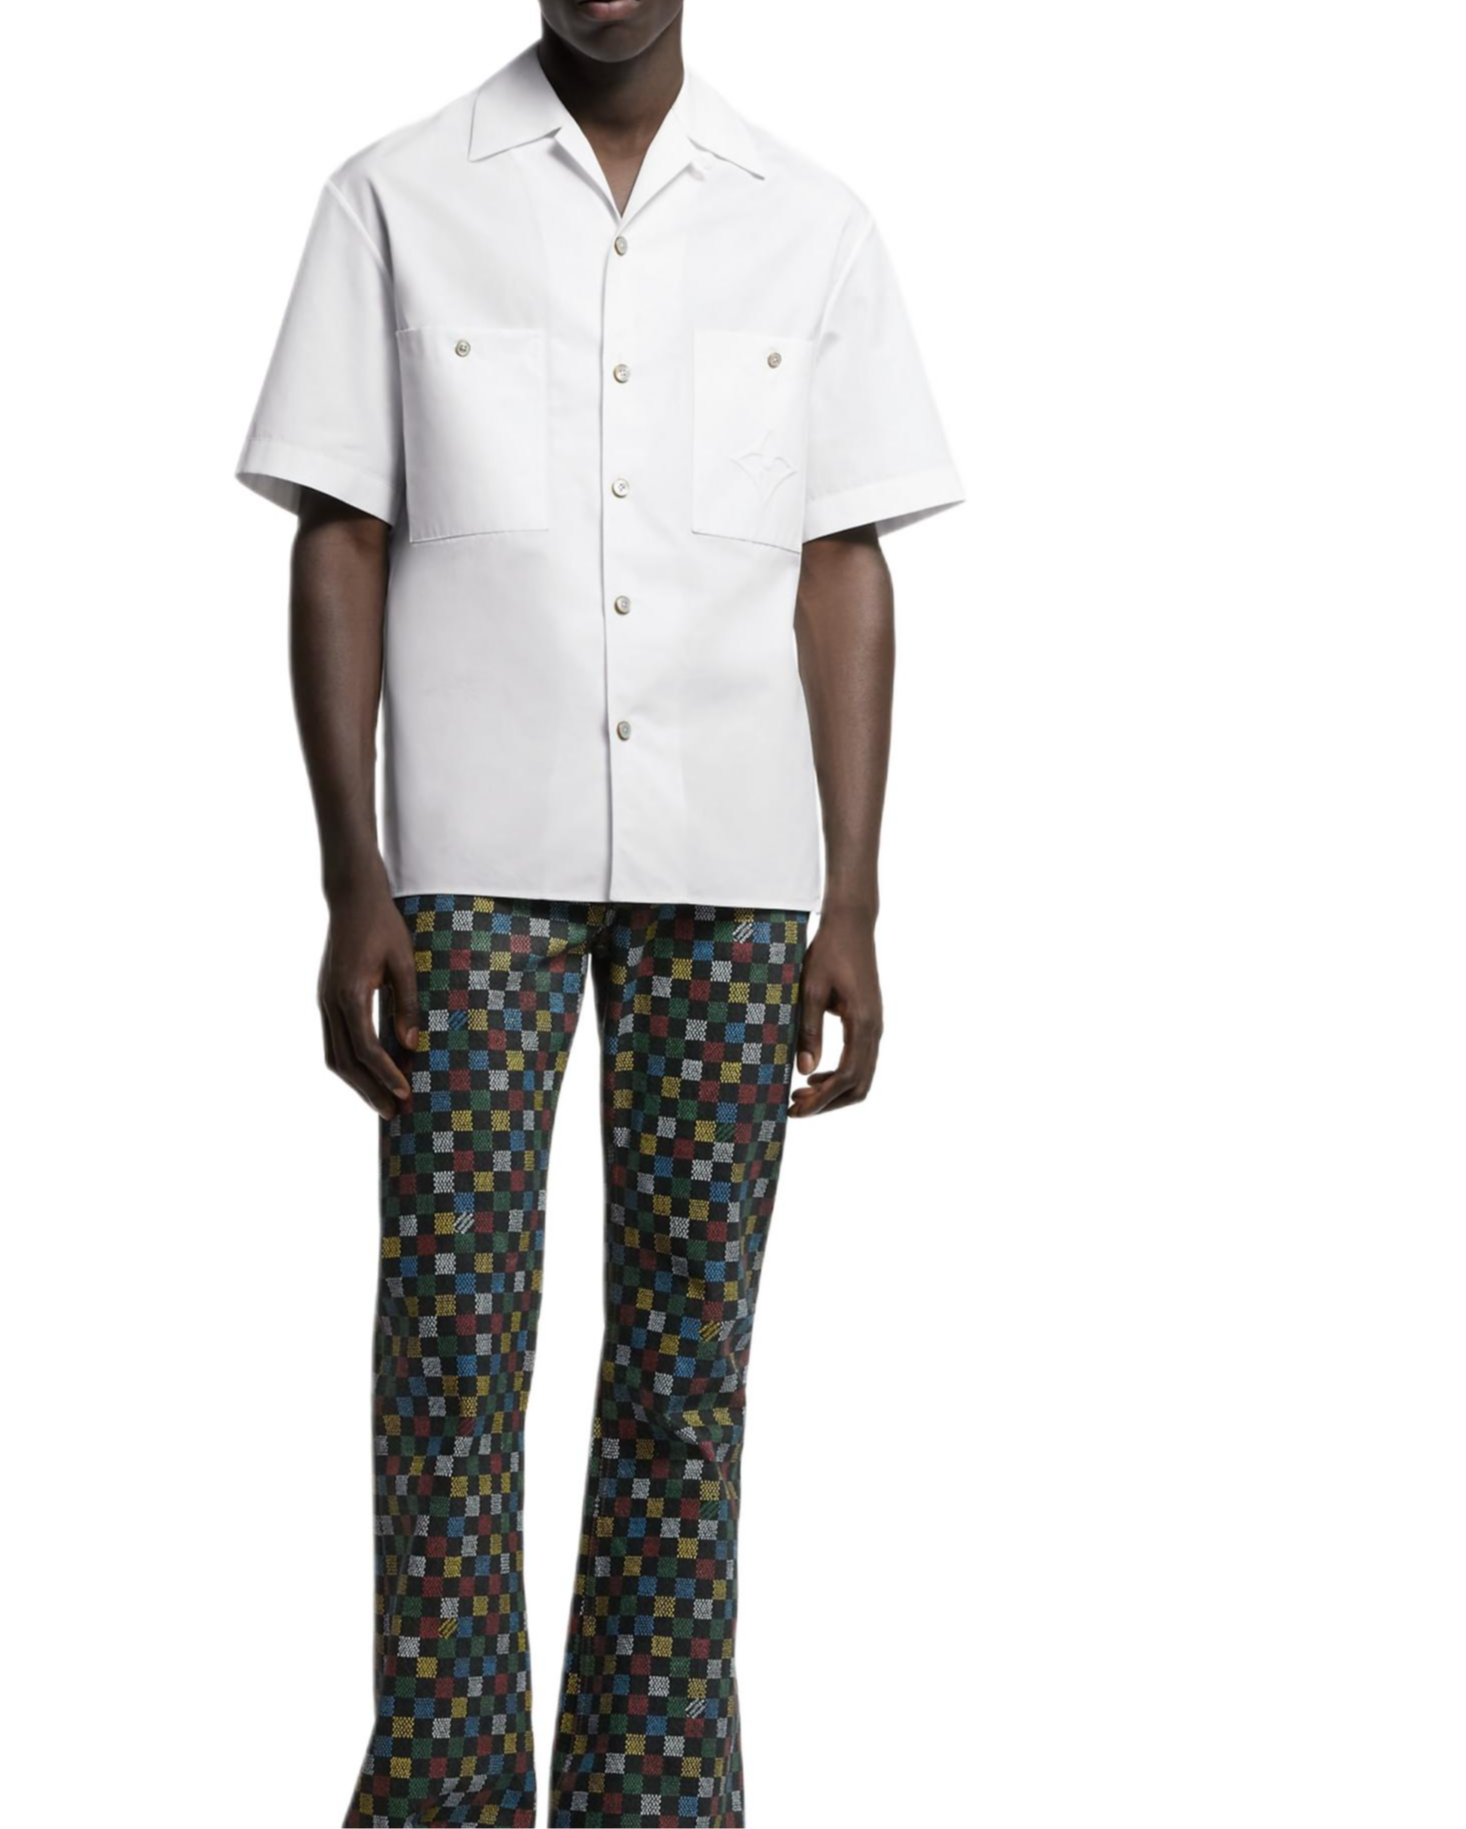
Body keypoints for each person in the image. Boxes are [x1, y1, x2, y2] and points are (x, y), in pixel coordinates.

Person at [235, 2, 961, 1822]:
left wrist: (854, 893)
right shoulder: (394, 198)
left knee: (688, 1367)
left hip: (736, 871)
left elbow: (841, 563)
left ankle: (654, 1799)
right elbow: (340, 538)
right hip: (468, 870)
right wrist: (350, 874)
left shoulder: (811, 221)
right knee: (452, 1352)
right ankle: (445, 1796)